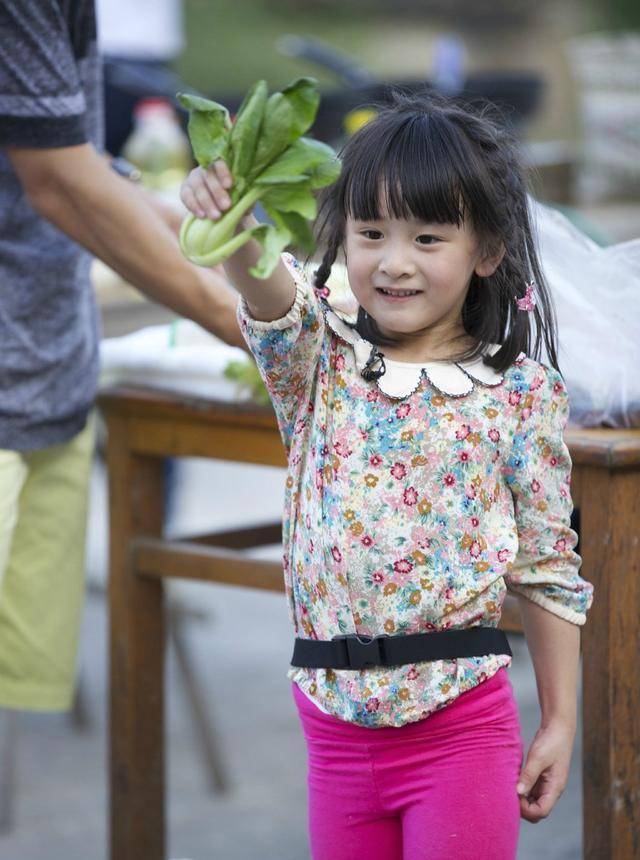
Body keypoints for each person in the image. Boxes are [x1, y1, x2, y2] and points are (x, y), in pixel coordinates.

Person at [180, 92, 595, 860]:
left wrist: (561, 721)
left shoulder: (521, 393)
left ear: (488, 250)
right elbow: (265, 287)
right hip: (332, 726)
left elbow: (547, 568)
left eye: (428, 237)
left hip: (460, 727)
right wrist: (232, 216)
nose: (394, 261)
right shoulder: (317, 362)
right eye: (370, 233)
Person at [0, 0, 243, 714]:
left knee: (17, 699)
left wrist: (236, 259)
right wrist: (258, 327)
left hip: (43, 374)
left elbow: (65, 152)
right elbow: (60, 181)